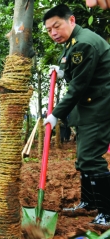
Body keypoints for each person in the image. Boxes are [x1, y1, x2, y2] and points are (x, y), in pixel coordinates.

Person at [43, 4, 110, 225]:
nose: (53, 33)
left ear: (71, 20)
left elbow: (78, 87)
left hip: (99, 107)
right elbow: (77, 73)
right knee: (83, 160)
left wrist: (55, 113)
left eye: (57, 26)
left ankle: (107, 213)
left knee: (91, 159)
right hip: (89, 108)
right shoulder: (74, 42)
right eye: (49, 30)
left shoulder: (83, 43)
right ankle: (90, 204)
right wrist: (62, 71)